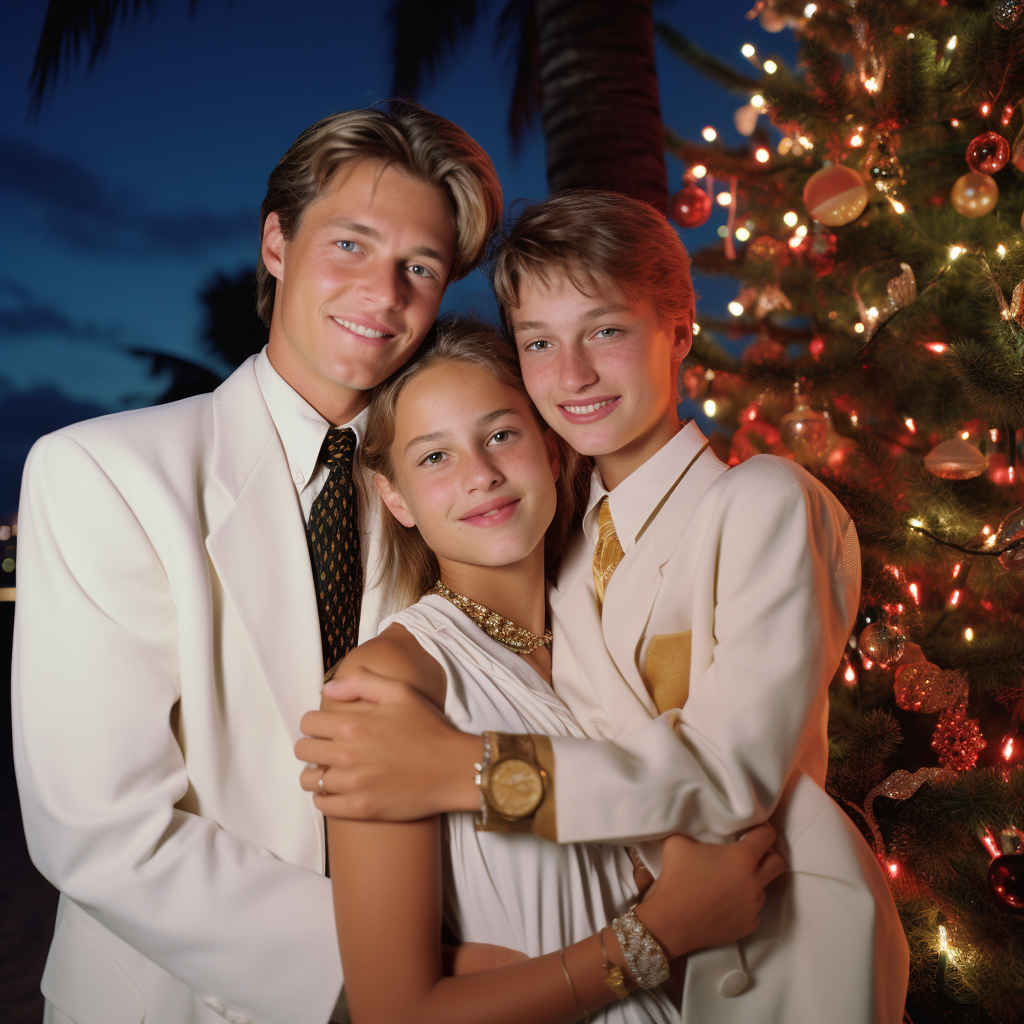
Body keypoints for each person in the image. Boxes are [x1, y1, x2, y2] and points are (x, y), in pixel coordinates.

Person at [299, 191, 910, 1021]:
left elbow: (729, 775)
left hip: (783, 959)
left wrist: (466, 772)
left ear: (680, 330)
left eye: (607, 331)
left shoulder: (761, 501)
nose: (575, 374)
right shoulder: (567, 557)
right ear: (394, 494)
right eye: (540, 343)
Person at [12, 101, 502, 1024]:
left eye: (420, 267)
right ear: (276, 242)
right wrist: (385, 971)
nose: (384, 293)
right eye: (351, 245)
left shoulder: (443, 491)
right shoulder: (103, 473)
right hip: (181, 1002)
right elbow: (101, 828)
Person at [316, 315, 785, 1024]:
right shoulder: (388, 685)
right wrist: (657, 935)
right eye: (434, 458)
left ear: (553, 449)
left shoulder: (608, 632)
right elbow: (396, 1013)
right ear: (395, 498)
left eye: (501, 434)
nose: (481, 475)